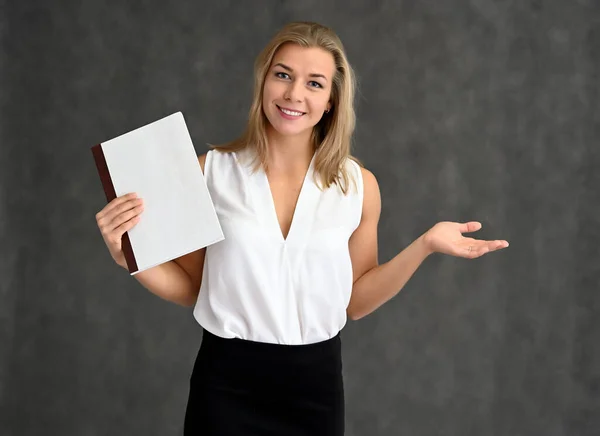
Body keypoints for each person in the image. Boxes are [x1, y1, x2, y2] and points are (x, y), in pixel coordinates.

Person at [95, 21, 509, 436]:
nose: (294, 94)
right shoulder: (210, 173)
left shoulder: (357, 186)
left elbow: (357, 301)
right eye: (283, 75)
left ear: (331, 100)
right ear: (263, 82)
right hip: (225, 385)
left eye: (314, 83)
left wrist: (424, 245)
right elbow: (191, 288)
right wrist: (126, 254)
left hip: (315, 389)